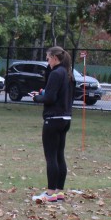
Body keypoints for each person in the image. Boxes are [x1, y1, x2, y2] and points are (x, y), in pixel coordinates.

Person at [31, 46, 75, 203]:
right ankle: (59, 191)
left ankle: (50, 193)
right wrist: (45, 94)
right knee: (59, 155)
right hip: (65, 118)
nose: (47, 61)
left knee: (51, 156)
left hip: (53, 119)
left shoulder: (56, 73)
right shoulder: (68, 73)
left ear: (55, 58)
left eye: (48, 58)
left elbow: (50, 98)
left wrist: (37, 97)